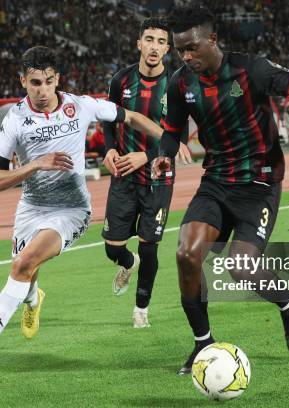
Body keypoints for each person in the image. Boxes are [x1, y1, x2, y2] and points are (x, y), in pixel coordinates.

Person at [151, 5, 289, 374]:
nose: (186, 57)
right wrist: (164, 156)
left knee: (240, 266)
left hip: (260, 182)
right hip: (217, 180)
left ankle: (287, 301)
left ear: (213, 40)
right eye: (180, 50)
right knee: (187, 255)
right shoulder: (180, 83)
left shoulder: (252, 69)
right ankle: (203, 346)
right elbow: (172, 130)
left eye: (192, 47)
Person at [0, 45, 166, 374]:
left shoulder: (80, 106)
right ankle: (33, 299)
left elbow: (132, 117)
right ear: (22, 81)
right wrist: (36, 164)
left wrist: (169, 139)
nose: (43, 90)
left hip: (71, 209)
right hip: (30, 208)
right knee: (26, 270)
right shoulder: (14, 120)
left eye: (49, 81)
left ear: (58, 79)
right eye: (35, 82)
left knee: (23, 263)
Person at [102, 17, 191, 328]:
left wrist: (147, 155)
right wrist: (109, 149)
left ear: (168, 48)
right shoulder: (120, 81)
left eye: (161, 42)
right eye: (149, 39)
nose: (155, 47)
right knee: (112, 247)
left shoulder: (180, 85)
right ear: (139, 43)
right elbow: (108, 120)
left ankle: (141, 308)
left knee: (149, 245)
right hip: (124, 175)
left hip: (158, 178)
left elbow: (179, 136)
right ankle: (128, 263)